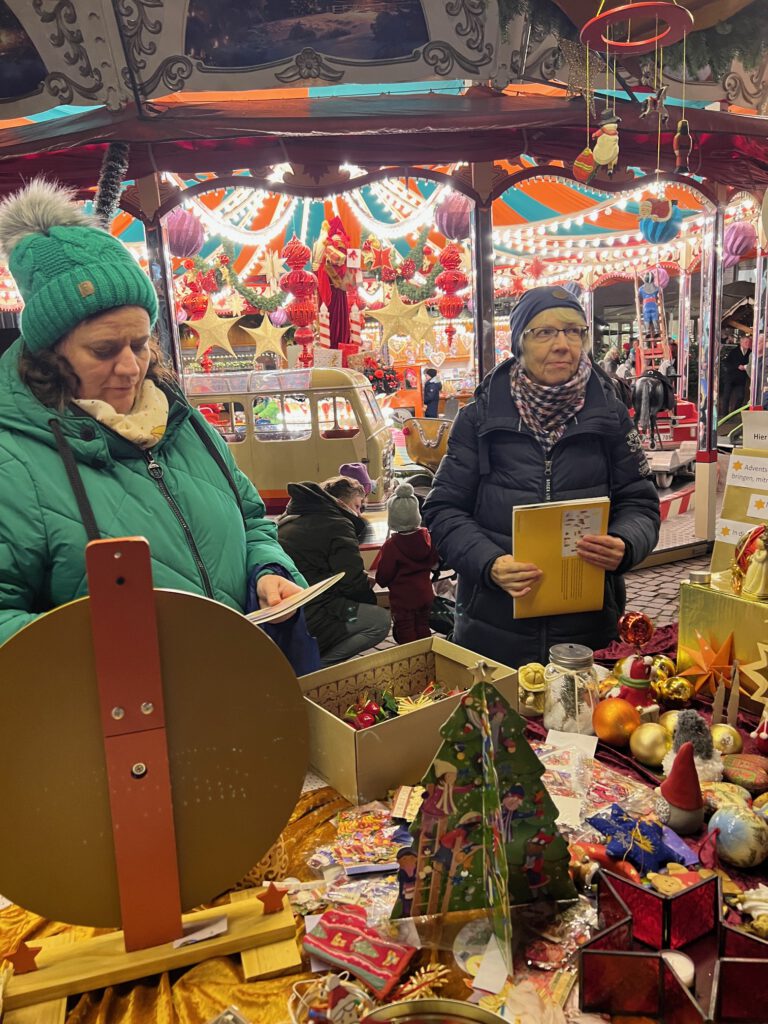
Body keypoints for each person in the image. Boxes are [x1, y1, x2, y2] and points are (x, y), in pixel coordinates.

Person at [0, 179, 304, 647]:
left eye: (140, 344)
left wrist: (267, 569)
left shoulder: (183, 421)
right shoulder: (12, 461)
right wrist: (110, 647)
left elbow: (250, 519)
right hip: (114, 713)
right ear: (49, 354)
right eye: (103, 350)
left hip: (235, 685)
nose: (130, 367)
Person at [423, 285, 660, 667]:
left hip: (589, 633)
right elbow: (443, 511)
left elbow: (641, 503)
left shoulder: (611, 416)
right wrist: (489, 563)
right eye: (544, 332)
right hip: (493, 629)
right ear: (519, 343)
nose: (562, 344)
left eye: (573, 331)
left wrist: (626, 542)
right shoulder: (479, 419)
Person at [277, 475, 391, 665]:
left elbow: (316, 564)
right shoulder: (338, 523)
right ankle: (321, 668)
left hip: (289, 609)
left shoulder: (293, 518)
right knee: (379, 621)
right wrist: (369, 601)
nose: (359, 513)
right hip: (313, 610)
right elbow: (352, 582)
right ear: (340, 502)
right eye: (357, 506)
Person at [374, 482, 436, 643]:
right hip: (425, 593)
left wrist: (379, 580)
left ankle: (411, 657)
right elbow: (434, 560)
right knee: (423, 624)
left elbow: (384, 575)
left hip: (403, 598)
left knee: (405, 629)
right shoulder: (427, 537)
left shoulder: (391, 545)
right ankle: (425, 654)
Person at [721, 334, 752, 417]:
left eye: (748, 342)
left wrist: (746, 367)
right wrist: (737, 366)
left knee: (741, 397)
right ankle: (725, 415)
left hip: (741, 379)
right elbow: (727, 362)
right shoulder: (734, 351)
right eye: (746, 342)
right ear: (741, 343)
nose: (747, 344)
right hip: (730, 377)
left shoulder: (750, 352)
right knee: (726, 396)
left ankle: (734, 413)